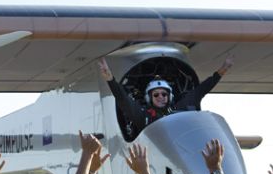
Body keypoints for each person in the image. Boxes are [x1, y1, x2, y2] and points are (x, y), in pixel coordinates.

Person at [97, 55, 234, 135]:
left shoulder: (179, 110)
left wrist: (222, 71)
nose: (161, 97)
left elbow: (200, 91)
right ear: (149, 98)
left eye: (164, 94)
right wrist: (110, 79)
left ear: (170, 96)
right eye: (156, 95)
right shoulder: (142, 116)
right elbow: (123, 100)